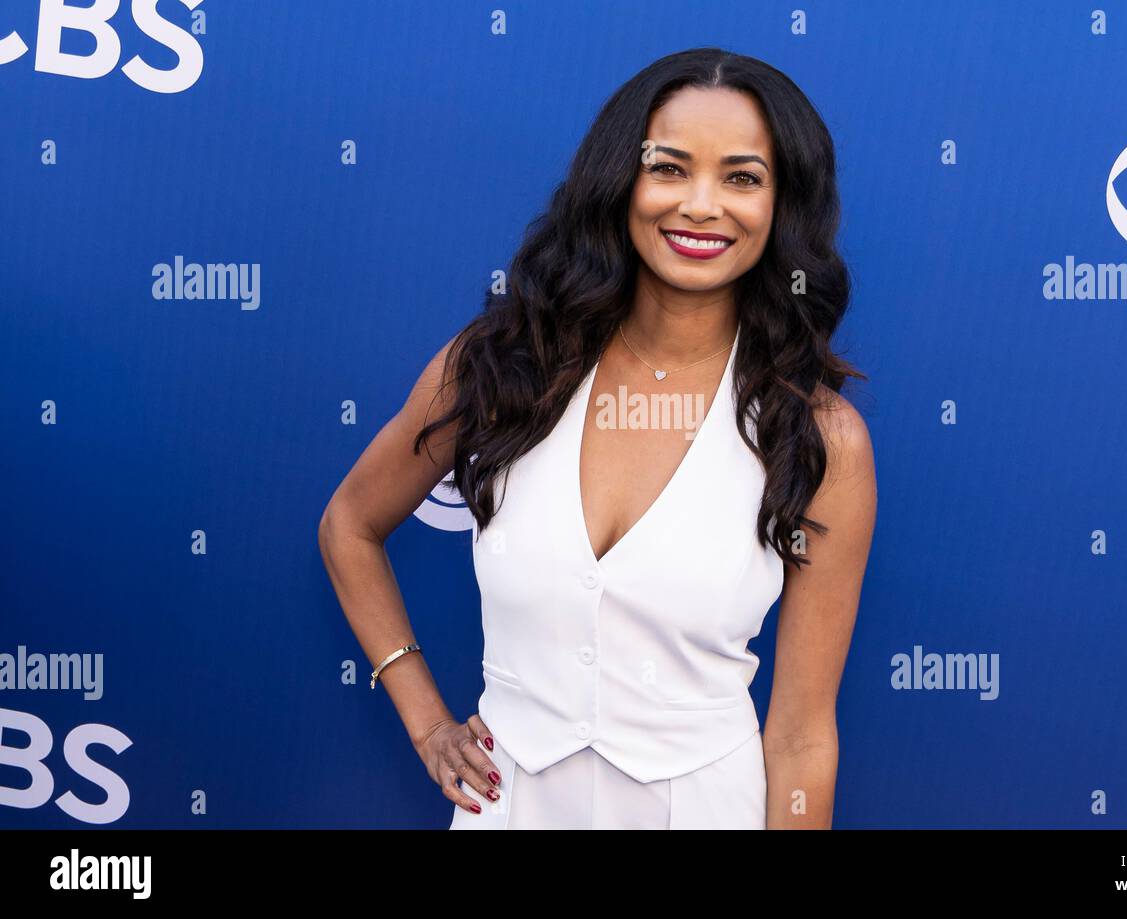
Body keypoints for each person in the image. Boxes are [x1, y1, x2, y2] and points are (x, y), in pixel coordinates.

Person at [318, 47, 876, 829]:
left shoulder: (820, 437)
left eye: (743, 177)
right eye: (670, 168)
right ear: (619, 181)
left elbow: (801, 734)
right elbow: (349, 522)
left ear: (783, 206)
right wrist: (425, 717)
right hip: (505, 810)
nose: (702, 205)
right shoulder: (498, 366)